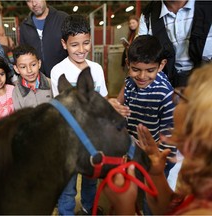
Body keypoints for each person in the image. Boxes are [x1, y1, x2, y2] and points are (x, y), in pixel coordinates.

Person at [104, 63, 212, 215]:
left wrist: (125, 209)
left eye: (182, 96)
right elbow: (169, 209)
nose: (176, 97)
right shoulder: (201, 180)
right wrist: (156, 174)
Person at [51, 14, 107, 215]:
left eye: (86, 43)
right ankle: (66, 212)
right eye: (75, 44)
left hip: (93, 137)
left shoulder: (97, 69)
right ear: (64, 44)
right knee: (68, 185)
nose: (81, 49)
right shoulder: (59, 71)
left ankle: (88, 208)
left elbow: (103, 99)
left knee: (91, 179)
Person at [138, 0, 212, 87]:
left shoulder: (208, 6)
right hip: (167, 85)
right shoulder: (148, 14)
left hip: (206, 84)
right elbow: (139, 60)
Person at [20, 0, 68, 78]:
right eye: (29, 1)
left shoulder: (63, 19)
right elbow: (23, 54)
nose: (34, 4)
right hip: (38, 80)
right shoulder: (24, 26)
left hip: (63, 77)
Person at [12, 44, 52, 110]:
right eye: (23, 67)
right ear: (16, 69)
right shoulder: (16, 91)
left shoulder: (50, 84)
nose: (29, 70)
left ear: (39, 64)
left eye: (33, 65)